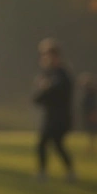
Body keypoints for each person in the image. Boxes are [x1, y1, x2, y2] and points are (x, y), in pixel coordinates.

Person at [34, 38, 76, 182]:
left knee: (44, 144)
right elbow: (38, 98)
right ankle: (68, 172)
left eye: (47, 54)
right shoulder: (48, 74)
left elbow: (60, 93)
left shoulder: (62, 74)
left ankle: (43, 173)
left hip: (60, 117)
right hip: (50, 116)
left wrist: (47, 87)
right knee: (56, 145)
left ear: (55, 55)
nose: (45, 58)